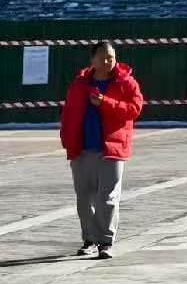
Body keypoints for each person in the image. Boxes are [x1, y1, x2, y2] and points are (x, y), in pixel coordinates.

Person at [61, 42, 145, 259]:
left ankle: (105, 242)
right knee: (84, 199)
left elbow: (134, 109)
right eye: (103, 57)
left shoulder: (126, 83)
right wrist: (66, 139)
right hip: (82, 150)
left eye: (111, 57)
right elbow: (68, 113)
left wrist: (106, 103)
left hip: (112, 149)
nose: (108, 61)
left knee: (107, 198)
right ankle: (89, 239)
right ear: (93, 59)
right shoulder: (79, 84)